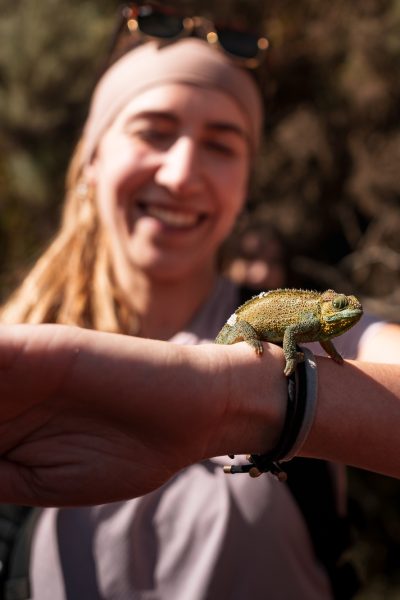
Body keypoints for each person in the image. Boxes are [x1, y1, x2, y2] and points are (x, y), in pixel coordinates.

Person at [0, 5, 399, 599]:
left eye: (221, 144)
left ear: (245, 185)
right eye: (153, 131)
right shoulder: (19, 353)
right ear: (91, 157)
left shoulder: (340, 325)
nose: (183, 172)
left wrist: (242, 400)